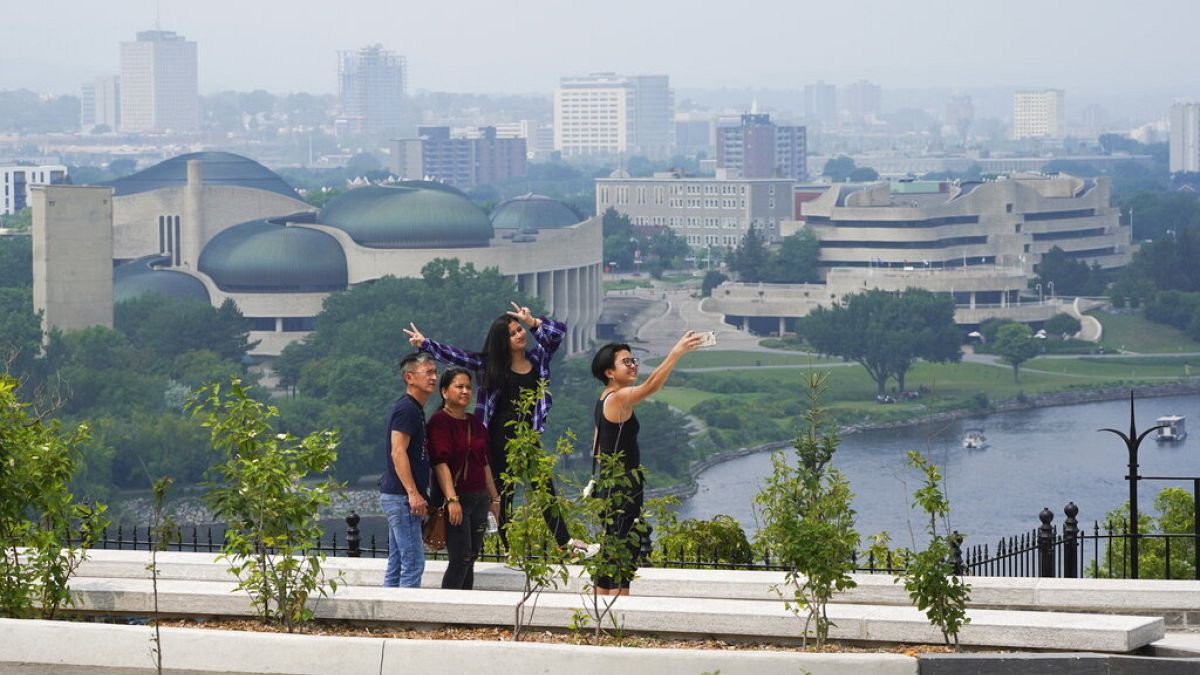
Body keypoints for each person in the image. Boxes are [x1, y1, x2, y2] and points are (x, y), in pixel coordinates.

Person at [404, 302, 595, 556]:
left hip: (527, 436)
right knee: (504, 494)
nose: (520, 335)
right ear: (502, 341)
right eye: (513, 332)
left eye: (519, 330)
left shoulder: (536, 358)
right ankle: (510, 548)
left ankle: (565, 542)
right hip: (497, 438)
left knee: (545, 489)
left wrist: (532, 322)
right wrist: (426, 343)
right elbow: (459, 356)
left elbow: (557, 333)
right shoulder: (490, 365)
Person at [589, 331, 703, 595]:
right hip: (623, 483)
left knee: (611, 546)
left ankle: (603, 609)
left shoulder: (604, 398)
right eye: (626, 362)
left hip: (610, 481)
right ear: (609, 372)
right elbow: (651, 386)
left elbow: (597, 442)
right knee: (624, 545)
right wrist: (676, 352)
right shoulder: (618, 397)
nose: (633, 365)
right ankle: (619, 609)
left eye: (634, 360)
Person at [428, 367, 501, 590]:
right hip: (456, 499)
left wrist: (495, 499)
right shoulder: (439, 422)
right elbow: (440, 463)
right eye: (459, 386)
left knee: (472, 556)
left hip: (479, 497)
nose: (465, 391)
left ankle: (465, 605)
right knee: (459, 557)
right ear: (444, 392)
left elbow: (485, 462)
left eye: (468, 387)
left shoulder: (474, 423)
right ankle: (448, 609)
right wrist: (452, 500)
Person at [379, 352, 437, 588]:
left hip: (398, 496)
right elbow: (398, 451)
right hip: (402, 497)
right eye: (428, 373)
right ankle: (404, 619)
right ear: (409, 377)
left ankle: (388, 615)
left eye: (435, 372)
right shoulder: (407, 410)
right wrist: (413, 493)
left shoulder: (415, 409)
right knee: (413, 562)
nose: (433, 377)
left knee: (397, 561)